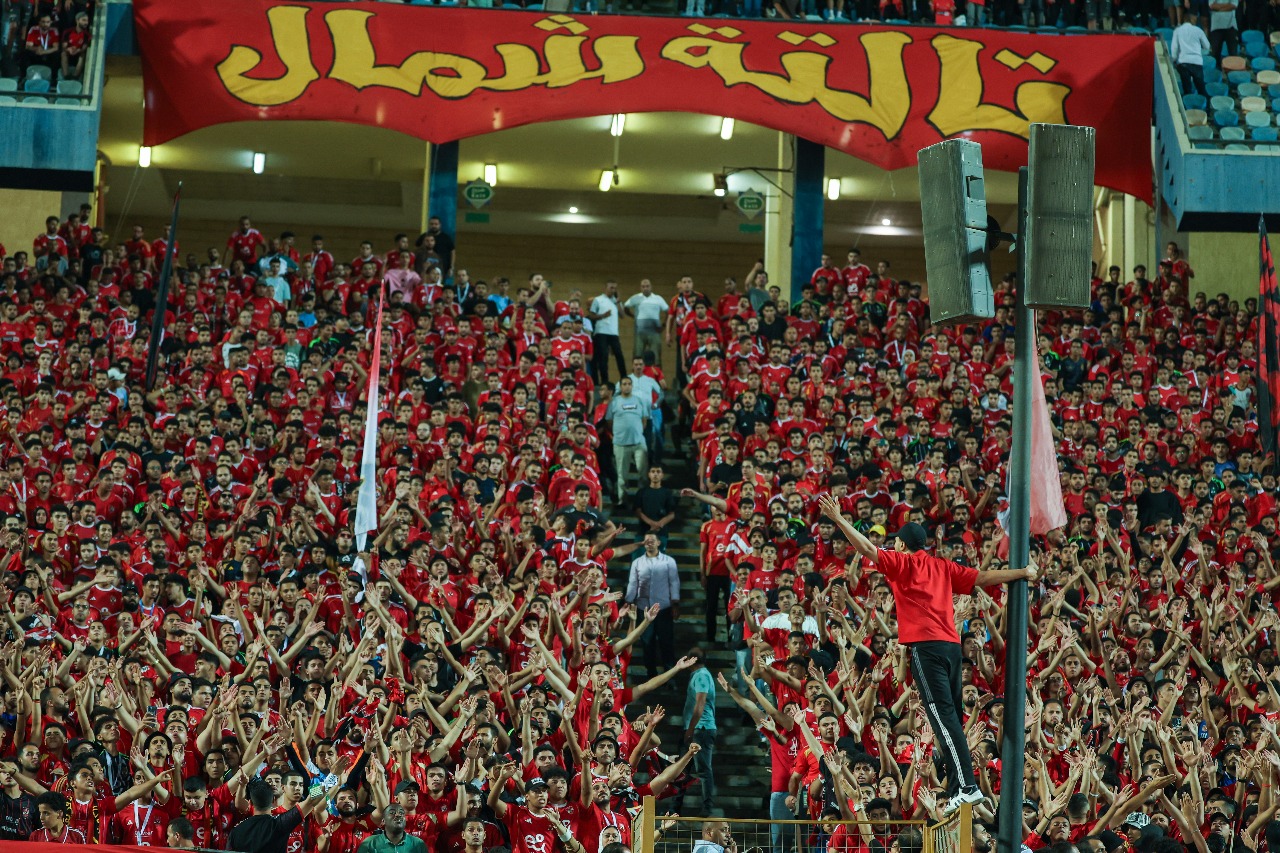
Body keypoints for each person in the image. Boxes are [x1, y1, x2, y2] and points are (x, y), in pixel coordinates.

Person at [817, 494, 1038, 814]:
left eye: (896, 542)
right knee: (951, 721)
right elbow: (982, 578)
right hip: (951, 648)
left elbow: (866, 548)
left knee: (943, 720)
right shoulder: (942, 566)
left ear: (902, 545)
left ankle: (967, 787)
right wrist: (1022, 572)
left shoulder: (903, 563)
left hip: (926, 649)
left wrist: (839, 519)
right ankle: (958, 787)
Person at [624, 533, 682, 678]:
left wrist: (675, 603)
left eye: (652, 540)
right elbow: (633, 583)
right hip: (643, 608)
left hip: (664, 608)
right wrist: (628, 601)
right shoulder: (637, 562)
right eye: (647, 540)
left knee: (666, 642)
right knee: (647, 643)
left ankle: (669, 676)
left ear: (658, 543)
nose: (649, 542)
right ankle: (651, 674)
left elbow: (674, 582)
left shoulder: (669, 561)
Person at [683, 647, 717, 816]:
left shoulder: (702, 675)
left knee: (703, 770)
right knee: (684, 769)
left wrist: (690, 729)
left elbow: (700, 704)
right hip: (698, 728)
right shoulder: (699, 675)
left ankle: (707, 808)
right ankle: (676, 806)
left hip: (701, 728)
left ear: (693, 660)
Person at [607, 376, 649, 505]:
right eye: (624, 384)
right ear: (620, 386)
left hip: (639, 443)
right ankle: (623, 500)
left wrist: (637, 431)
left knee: (643, 473)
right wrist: (620, 433)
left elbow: (644, 419)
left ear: (632, 386)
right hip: (621, 444)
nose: (627, 386)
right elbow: (609, 421)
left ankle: (642, 499)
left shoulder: (639, 401)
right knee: (622, 476)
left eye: (629, 384)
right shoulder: (614, 402)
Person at [589, 280, 625, 385]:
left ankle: (624, 378)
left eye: (615, 288)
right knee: (603, 357)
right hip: (601, 332)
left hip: (614, 333)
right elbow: (591, 315)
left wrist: (618, 302)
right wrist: (603, 315)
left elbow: (622, 315)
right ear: (605, 288)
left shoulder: (617, 301)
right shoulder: (598, 300)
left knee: (619, 355)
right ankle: (605, 381)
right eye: (611, 288)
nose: (613, 290)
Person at [355, 803, 428, 853]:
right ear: (383, 821)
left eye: (401, 813)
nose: (398, 815)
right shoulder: (369, 843)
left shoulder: (418, 844)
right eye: (392, 813)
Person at [623, 279, 668, 359]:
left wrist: (664, 325)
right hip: (640, 332)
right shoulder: (636, 298)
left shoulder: (658, 298)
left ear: (651, 287)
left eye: (647, 286)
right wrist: (633, 316)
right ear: (640, 288)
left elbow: (668, 311)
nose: (645, 288)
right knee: (637, 356)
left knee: (656, 356)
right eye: (643, 287)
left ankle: (656, 367)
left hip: (654, 332)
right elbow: (625, 307)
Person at [1170, 18, 1211, 96]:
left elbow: (1174, 47)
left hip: (1183, 62)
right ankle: (1205, 103)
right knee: (1201, 88)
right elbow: (1207, 46)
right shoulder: (1198, 30)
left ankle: (1187, 102)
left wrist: (1174, 59)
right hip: (1197, 62)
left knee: (1187, 89)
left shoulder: (1177, 31)